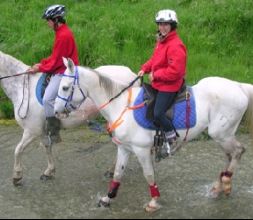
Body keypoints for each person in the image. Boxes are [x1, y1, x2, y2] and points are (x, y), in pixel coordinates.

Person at [27, 4, 79, 146]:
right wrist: (41, 63)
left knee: (47, 99)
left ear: (55, 19)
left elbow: (56, 62)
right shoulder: (61, 32)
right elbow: (55, 56)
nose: (47, 23)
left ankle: (54, 133)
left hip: (64, 71)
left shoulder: (63, 36)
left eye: (48, 20)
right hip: (60, 67)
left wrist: (39, 69)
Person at [138, 9, 187, 155]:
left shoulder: (175, 45)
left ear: (173, 26)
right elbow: (155, 60)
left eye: (166, 24)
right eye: (160, 24)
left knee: (158, 113)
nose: (162, 27)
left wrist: (156, 75)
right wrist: (145, 69)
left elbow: (175, 71)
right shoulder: (162, 41)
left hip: (170, 85)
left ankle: (172, 138)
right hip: (159, 83)